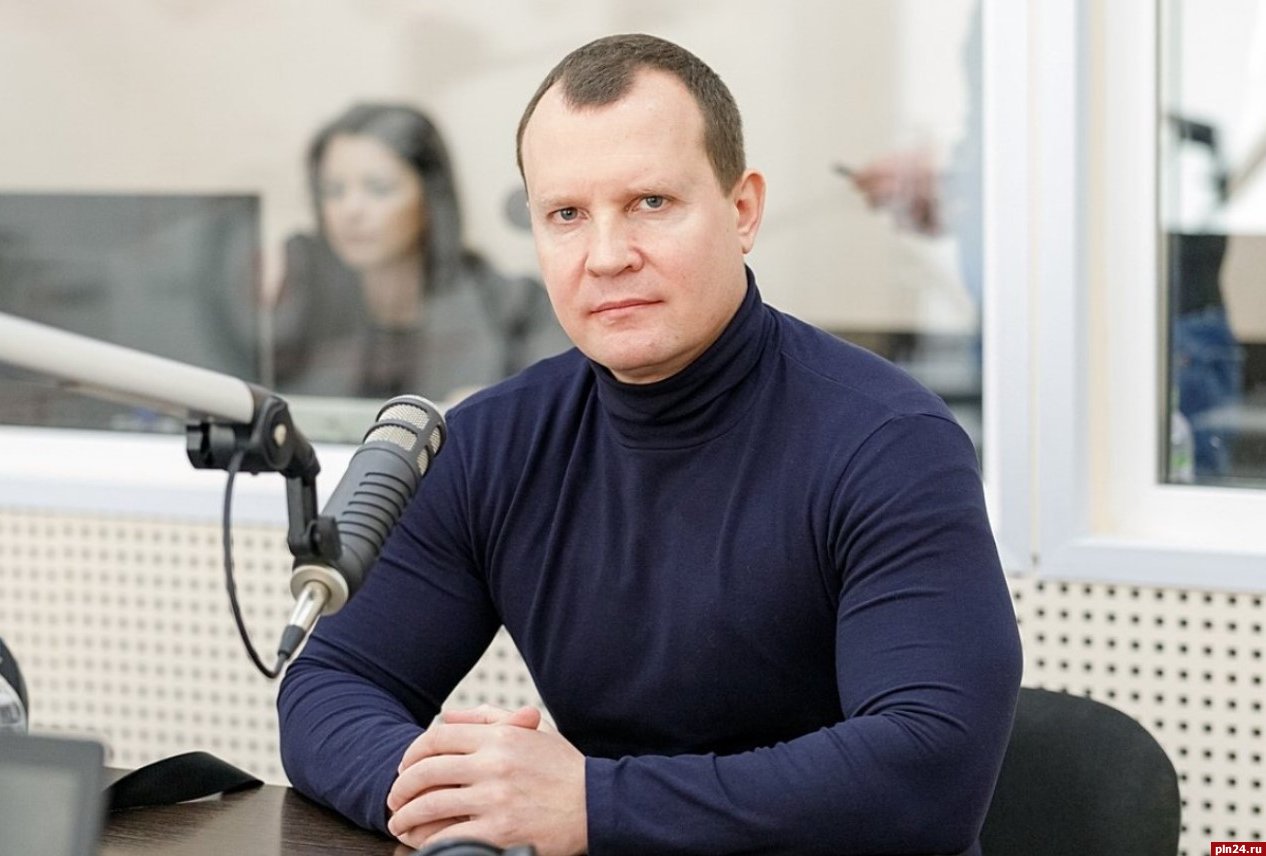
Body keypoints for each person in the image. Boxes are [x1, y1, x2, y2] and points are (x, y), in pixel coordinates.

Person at [278, 33, 1022, 856]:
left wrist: (593, 805)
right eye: (566, 215)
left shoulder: (889, 443)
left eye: (651, 203)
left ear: (742, 210)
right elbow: (332, 684)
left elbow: (929, 769)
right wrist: (460, 799)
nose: (606, 257)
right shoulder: (491, 444)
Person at [272, 102, 567, 402]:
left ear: (430, 196)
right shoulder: (297, 311)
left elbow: (563, 400)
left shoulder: (514, 308)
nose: (351, 210)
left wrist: (499, 408)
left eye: (378, 188)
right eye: (333, 191)